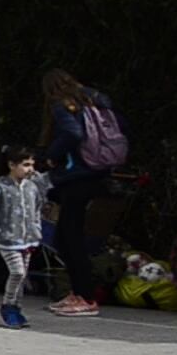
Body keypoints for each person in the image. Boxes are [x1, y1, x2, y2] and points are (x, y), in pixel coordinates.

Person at [40, 69, 129, 317]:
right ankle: (78, 293)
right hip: (98, 172)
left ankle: (85, 296)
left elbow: (72, 133)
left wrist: (50, 157)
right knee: (67, 237)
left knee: (70, 238)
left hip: (75, 176)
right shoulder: (96, 100)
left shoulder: (62, 105)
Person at [0, 146, 47, 330]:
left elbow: (37, 209)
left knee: (22, 275)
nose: (30, 169)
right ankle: (8, 305)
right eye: (25, 165)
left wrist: (36, 230)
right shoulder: (0, 187)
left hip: (28, 239)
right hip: (8, 241)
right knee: (17, 272)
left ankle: (16, 308)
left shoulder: (32, 187)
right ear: (11, 165)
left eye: (32, 165)